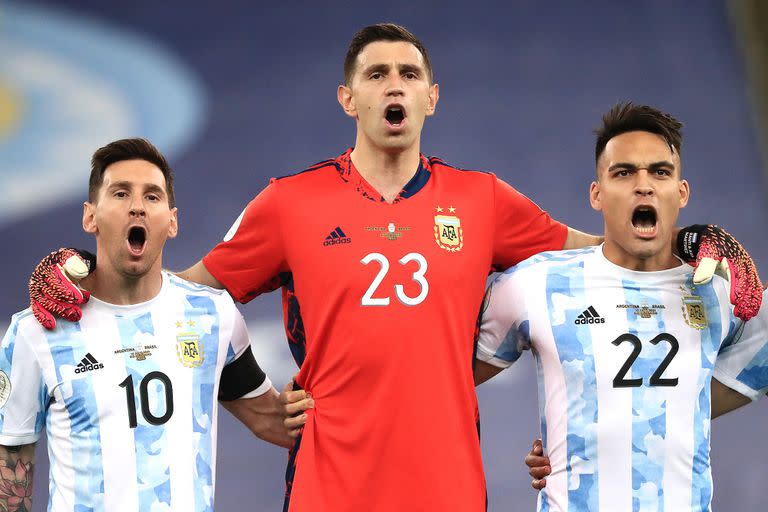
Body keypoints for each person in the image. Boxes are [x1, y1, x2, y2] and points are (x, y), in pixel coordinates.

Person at [26, 26, 762, 512]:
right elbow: (179, 294)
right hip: (328, 488)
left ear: (431, 98)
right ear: (349, 98)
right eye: (376, 73)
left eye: (410, 73)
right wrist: (79, 275)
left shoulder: (482, 199)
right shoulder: (289, 203)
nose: (395, 84)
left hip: (449, 490)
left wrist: (695, 241)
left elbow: (603, 247)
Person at [474, 103, 767, 511]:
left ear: (681, 192)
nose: (643, 185)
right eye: (623, 172)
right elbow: (446, 380)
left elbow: (697, 396)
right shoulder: (537, 284)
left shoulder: (718, 287)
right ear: (597, 194)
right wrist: (568, 432)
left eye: (660, 172)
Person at [0, 138, 310, 511]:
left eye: (152, 196)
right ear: (90, 217)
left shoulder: (212, 316)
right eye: (119, 194)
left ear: (172, 221)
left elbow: (272, 420)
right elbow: (11, 472)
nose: (137, 207)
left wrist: (310, 403)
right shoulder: (37, 331)